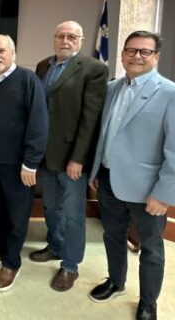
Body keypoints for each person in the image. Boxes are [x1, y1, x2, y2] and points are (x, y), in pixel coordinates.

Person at [88, 31, 175, 320]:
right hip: (108, 182)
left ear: (156, 57)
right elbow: (105, 134)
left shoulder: (174, 94)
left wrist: (164, 194)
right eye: (131, 50)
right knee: (112, 236)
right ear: (122, 55)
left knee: (151, 249)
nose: (136, 56)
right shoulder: (111, 89)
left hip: (148, 191)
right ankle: (115, 281)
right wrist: (96, 170)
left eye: (144, 52)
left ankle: (149, 302)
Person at [29, 21, 108, 291]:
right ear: (53, 38)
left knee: (74, 213)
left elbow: (91, 118)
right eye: (60, 35)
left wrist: (79, 158)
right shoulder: (43, 66)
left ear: (81, 40)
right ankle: (55, 246)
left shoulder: (94, 69)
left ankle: (70, 265)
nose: (65, 40)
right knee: (51, 206)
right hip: (46, 156)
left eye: (71, 36)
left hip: (72, 158)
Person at [0, 34, 48, 291]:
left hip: (19, 167)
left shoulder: (29, 80)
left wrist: (31, 162)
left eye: (1, 51)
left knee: (17, 217)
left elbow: (39, 124)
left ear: (13, 53)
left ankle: (11, 262)